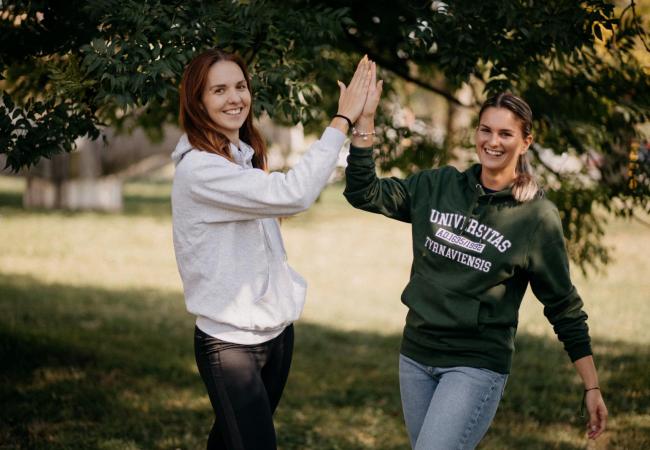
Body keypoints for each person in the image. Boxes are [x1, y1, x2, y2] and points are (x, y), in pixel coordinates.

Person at [344, 86, 608, 449]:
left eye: (505, 133)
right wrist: (366, 121)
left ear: (526, 142)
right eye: (486, 129)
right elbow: (364, 193)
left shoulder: (536, 218)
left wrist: (591, 386)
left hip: (475, 363)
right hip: (416, 354)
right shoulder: (437, 186)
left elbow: (563, 306)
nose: (493, 141)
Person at [171, 48, 372, 450]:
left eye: (240, 86)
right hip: (230, 344)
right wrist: (341, 118)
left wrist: (361, 125)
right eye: (219, 90)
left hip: (276, 333)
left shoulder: (240, 158)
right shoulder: (200, 169)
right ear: (197, 101)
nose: (235, 98)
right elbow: (294, 194)